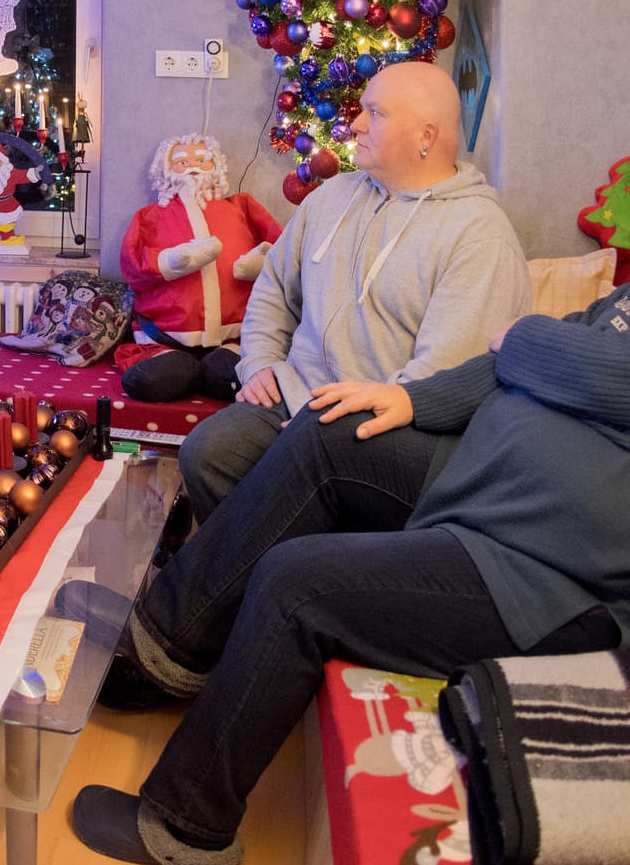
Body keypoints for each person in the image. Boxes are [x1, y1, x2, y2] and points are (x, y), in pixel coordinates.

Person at [68, 131, 630, 865]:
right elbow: (518, 364)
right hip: (487, 499)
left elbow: (577, 366)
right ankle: (166, 651)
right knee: (328, 433)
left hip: (552, 587)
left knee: (298, 585)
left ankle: (186, 824)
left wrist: (526, 340)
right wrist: (405, 396)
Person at [180, 61, 529, 523]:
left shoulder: (478, 232)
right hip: (296, 395)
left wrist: (329, 435)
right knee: (208, 452)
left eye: (376, 113)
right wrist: (260, 361)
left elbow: (445, 377)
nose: (356, 124)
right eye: (361, 110)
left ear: (426, 135)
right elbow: (275, 290)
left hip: (391, 426)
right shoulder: (331, 197)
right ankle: (264, 582)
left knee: (293, 499)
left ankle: (287, 580)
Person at [116, 133, 284, 402]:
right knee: (154, 379)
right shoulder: (149, 217)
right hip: (165, 339)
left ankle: (212, 372)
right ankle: (183, 370)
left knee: (229, 374)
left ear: (216, 165)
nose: (192, 165)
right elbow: (132, 264)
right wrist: (171, 261)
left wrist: (260, 261)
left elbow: (282, 248)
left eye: (202, 159)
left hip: (233, 340)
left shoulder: (241, 206)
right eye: (182, 162)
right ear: (166, 170)